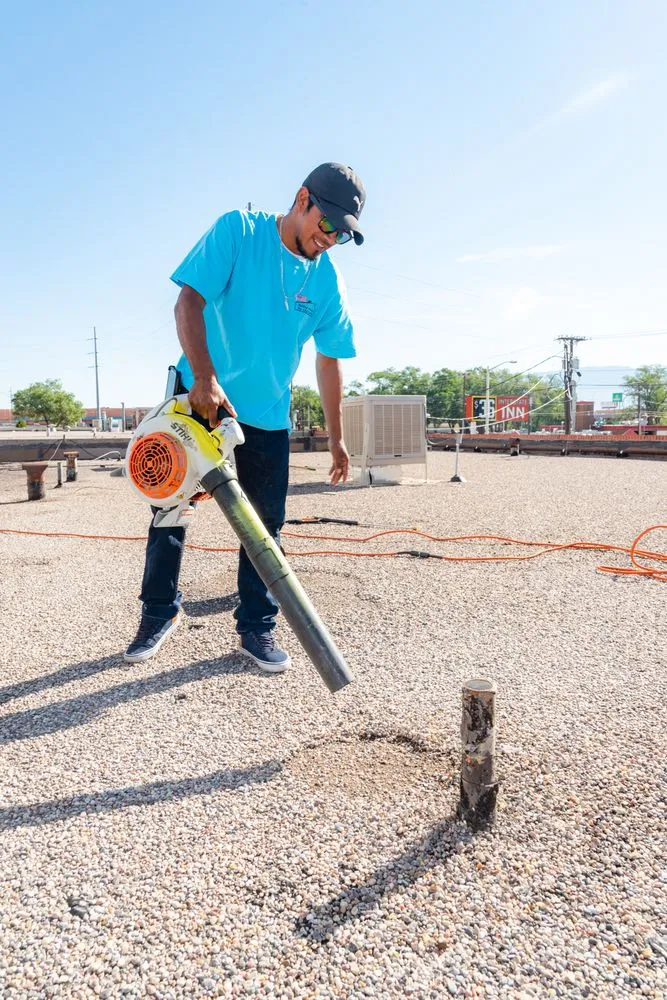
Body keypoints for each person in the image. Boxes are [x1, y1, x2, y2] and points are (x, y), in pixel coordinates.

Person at [124, 162, 366, 673]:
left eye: (343, 235)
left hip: (268, 416)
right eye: (328, 225)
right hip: (199, 400)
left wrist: (337, 438)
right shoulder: (238, 230)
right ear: (302, 199)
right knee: (171, 510)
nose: (331, 239)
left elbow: (329, 358)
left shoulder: (326, 280)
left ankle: (256, 626)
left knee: (265, 526)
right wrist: (205, 379)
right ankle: (159, 613)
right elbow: (187, 301)